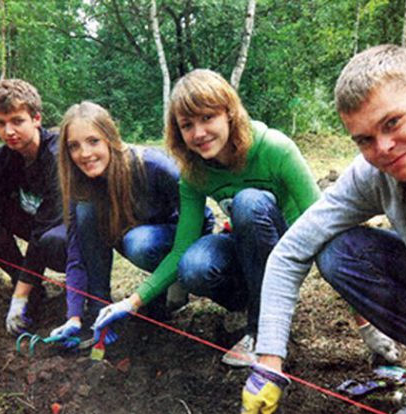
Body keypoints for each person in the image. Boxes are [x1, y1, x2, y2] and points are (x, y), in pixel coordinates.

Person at [239, 44, 406, 414]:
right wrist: (268, 360)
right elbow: (290, 252)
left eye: (392, 122)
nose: (383, 149)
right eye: (364, 139)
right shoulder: (372, 174)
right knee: (341, 254)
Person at [91, 68, 322, 367]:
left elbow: (322, 222)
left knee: (249, 202)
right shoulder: (195, 173)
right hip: (243, 248)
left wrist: (365, 327)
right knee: (194, 265)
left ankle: (261, 331)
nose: (198, 133)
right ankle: (246, 304)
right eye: (187, 125)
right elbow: (180, 248)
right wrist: (132, 302)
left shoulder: (274, 148)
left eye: (207, 118)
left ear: (229, 113)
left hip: (287, 254)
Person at [48, 101, 214, 343]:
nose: (84, 154)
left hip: (183, 242)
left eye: (93, 141)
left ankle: (174, 285)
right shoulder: (82, 186)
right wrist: (75, 315)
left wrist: (181, 267)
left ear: (110, 137)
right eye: (74, 146)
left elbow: (205, 221)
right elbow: (78, 253)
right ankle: (101, 310)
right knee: (90, 214)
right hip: (140, 242)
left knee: (139, 241)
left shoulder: (153, 166)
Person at [0, 79, 66, 336]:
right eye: (0, 123)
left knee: (51, 239)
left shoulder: (56, 155)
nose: (9, 131)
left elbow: (43, 228)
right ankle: (29, 285)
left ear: (36, 118)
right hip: (32, 219)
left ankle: (68, 294)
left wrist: (19, 297)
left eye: (17, 121)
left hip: (64, 233)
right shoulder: (1, 158)